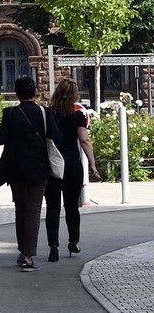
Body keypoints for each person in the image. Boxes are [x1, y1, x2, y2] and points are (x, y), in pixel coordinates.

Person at [0, 76, 62, 271]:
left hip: (15, 169)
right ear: (35, 92)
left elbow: (0, 140)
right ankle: (27, 255)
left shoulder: (10, 113)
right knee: (33, 212)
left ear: (16, 93)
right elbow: (57, 136)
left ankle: (22, 251)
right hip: (39, 169)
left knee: (20, 210)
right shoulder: (44, 113)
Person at [46, 78, 100, 262]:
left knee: (52, 206)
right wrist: (92, 164)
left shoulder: (48, 113)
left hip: (52, 165)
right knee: (71, 207)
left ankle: (53, 246)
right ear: (75, 95)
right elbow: (84, 140)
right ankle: (73, 242)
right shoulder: (78, 115)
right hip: (72, 165)